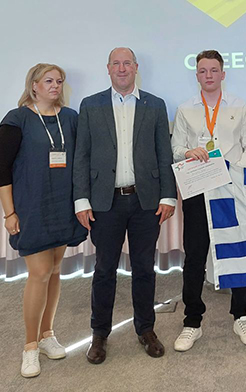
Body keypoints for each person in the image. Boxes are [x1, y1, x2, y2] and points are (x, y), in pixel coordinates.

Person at [73, 47, 176, 363]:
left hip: (146, 202)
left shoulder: (155, 105)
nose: (122, 68)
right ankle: (99, 334)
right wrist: (81, 200)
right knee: (104, 269)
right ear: (108, 69)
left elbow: (164, 153)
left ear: (136, 67)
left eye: (127, 63)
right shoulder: (90, 105)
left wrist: (168, 195)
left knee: (144, 268)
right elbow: (82, 156)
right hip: (105, 203)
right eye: (116, 63)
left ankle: (146, 329)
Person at [0, 63, 88, 378]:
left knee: (56, 270)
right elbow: (1, 169)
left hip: (62, 205)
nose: (55, 86)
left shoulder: (70, 118)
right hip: (31, 208)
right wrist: (9, 213)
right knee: (40, 272)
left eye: (59, 81)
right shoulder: (17, 119)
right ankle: (30, 346)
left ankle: (47, 335)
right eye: (48, 81)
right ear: (33, 85)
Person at [171, 50, 246, 351]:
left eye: (214, 70)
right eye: (203, 71)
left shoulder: (239, 106)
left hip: (231, 190)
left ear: (223, 74)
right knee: (195, 256)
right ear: (196, 75)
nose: (208, 75)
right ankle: (192, 322)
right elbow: (176, 148)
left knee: (237, 251)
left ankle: (241, 315)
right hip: (198, 189)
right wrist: (188, 152)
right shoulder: (185, 109)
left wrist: (235, 171)